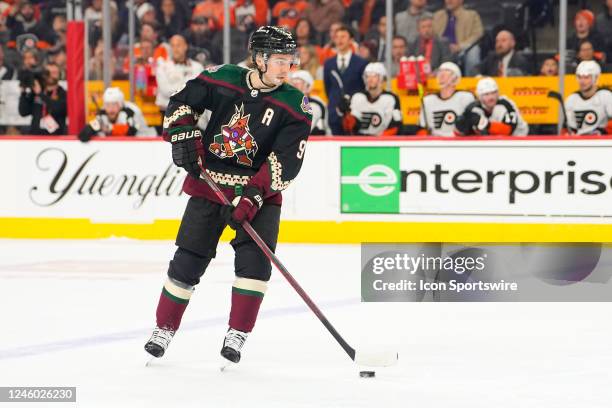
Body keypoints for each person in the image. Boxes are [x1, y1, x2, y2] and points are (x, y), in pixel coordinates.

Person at [143, 26, 312, 366]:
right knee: (188, 260)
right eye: (279, 61)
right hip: (210, 186)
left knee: (254, 266)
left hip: (257, 197)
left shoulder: (296, 105)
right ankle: (164, 328)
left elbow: (286, 161)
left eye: (290, 62)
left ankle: (238, 333)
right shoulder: (222, 78)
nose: (286, 68)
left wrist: (252, 196)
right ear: (260, 58)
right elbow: (179, 103)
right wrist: (184, 135)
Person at [323, 25, 368, 135]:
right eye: (337, 37)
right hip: (335, 113)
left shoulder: (361, 63)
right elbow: (328, 88)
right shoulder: (329, 64)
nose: (339, 40)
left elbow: (363, 88)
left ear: (351, 40)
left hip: (354, 114)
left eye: (343, 37)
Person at [155, 35, 204, 132]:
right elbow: (165, 90)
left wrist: (177, 86)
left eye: (178, 45)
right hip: (167, 114)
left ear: (185, 46)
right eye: (172, 46)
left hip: (190, 114)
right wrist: (187, 83)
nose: (175, 49)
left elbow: (198, 90)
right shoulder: (162, 67)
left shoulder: (197, 67)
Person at [339, 62, 402, 136]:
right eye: (367, 76)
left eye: (374, 76)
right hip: (360, 142)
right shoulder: (357, 97)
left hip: (382, 143)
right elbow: (349, 127)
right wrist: (346, 113)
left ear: (382, 78)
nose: (370, 79)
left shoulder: (391, 99)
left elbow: (396, 127)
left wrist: (378, 141)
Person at [455, 77, 528, 136]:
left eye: (493, 93)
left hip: (519, 139)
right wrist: (462, 128)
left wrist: (484, 124)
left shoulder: (506, 104)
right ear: (480, 97)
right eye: (486, 94)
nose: (491, 97)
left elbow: (508, 131)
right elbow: (460, 132)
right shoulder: (474, 108)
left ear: (498, 93)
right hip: (492, 143)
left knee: (498, 110)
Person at [417, 62, 473, 136]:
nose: (441, 75)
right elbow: (422, 128)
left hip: (459, 144)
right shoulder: (427, 100)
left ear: (455, 77)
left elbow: (472, 126)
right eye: (440, 71)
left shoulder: (465, 97)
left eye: (447, 71)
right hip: (434, 144)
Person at [78, 87, 156, 141]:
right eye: (108, 105)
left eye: (114, 105)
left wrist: (109, 128)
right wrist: (90, 129)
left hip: (149, 142)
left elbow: (131, 131)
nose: (111, 109)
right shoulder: (102, 113)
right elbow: (83, 135)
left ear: (120, 105)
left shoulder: (131, 111)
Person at [432, 0, 483, 75]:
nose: (449, 1)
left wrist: (460, 46)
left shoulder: (472, 15)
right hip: (441, 51)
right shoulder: (437, 16)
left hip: (462, 51)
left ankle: (471, 81)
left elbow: (478, 33)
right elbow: (432, 34)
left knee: (474, 51)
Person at [18, 62, 66, 135]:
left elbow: (58, 109)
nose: (50, 75)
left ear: (59, 75)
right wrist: (23, 92)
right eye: (48, 73)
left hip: (55, 137)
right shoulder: (36, 92)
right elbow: (23, 112)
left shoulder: (62, 93)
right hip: (35, 136)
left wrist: (41, 94)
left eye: (54, 72)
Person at [564, 60, 612, 135]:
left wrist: (604, 131)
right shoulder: (571, 99)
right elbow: (569, 129)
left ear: (596, 78)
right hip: (579, 143)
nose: (582, 81)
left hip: (602, 144)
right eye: (579, 77)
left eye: (586, 77)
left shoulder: (606, 96)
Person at [290, 69, 328, 135]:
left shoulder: (314, 105)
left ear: (307, 86)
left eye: (297, 84)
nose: (293, 87)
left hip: (316, 143)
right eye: (292, 84)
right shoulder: (290, 103)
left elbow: (303, 130)